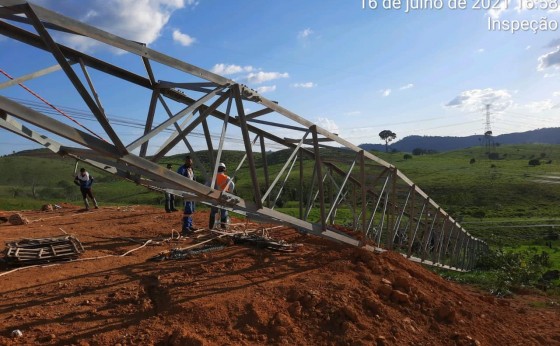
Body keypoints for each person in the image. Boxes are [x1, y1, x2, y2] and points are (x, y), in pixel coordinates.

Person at [209, 162, 235, 229]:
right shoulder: (227, 178)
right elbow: (232, 185)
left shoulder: (213, 178)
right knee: (224, 212)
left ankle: (211, 227)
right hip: (224, 197)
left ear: (217, 169)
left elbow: (206, 186)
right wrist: (230, 192)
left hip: (214, 197)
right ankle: (223, 227)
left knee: (213, 212)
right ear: (224, 169)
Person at [177, 155, 196, 236]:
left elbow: (194, 179)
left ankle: (190, 225)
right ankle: (185, 227)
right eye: (188, 161)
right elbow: (178, 178)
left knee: (192, 209)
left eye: (190, 161)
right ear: (185, 161)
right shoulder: (182, 169)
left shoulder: (191, 169)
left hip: (192, 191)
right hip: (186, 191)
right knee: (188, 209)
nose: (189, 162)